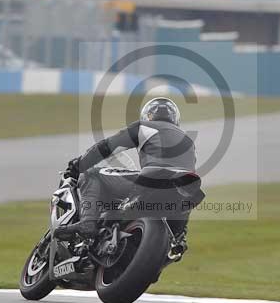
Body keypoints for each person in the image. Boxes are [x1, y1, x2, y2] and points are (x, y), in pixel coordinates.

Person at [54, 97, 200, 241]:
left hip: (152, 179)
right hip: (185, 192)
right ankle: (175, 240)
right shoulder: (189, 141)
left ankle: (88, 223)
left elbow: (106, 147)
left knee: (91, 174)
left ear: (148, 115)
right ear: (175, 119)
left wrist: (78, 165)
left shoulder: (144, 127)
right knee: (176, 237)